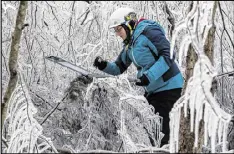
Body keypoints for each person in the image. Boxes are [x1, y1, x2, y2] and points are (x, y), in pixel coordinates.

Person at [93, 7, 184, 147]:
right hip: (154, 92)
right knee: (154, 134)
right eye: (115, 30)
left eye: (118, 29)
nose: (117, 34)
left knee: (163, 136)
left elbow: (169, 54)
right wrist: (103, 65)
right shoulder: (131, 45)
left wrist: (149, 76)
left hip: (170, 89)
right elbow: (119, 67)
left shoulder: (148, 32)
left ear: (128, 24)